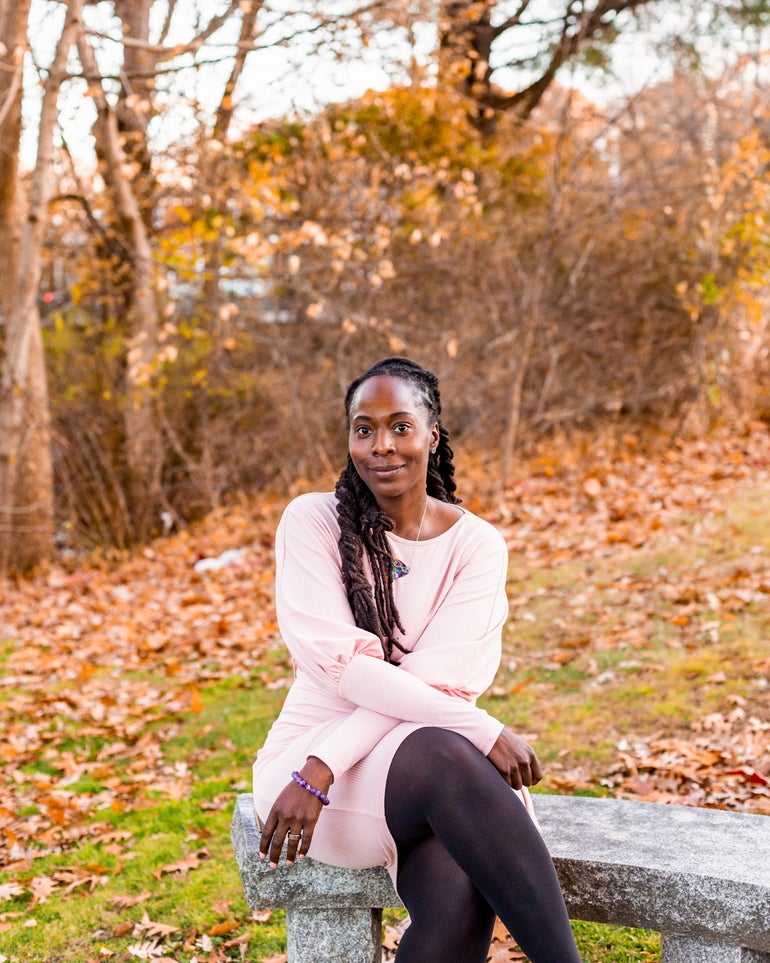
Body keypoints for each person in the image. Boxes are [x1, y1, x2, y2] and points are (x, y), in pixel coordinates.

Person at [253, 357, 582, 962]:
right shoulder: (313, 521)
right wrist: (320, 765)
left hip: (417, 773)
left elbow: (433, 687)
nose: (382, 446)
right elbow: (348, 672)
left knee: (460, 897)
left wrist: (460, 727)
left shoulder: (476, 546)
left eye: (401, 427)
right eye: (364, 428)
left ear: (433, 433)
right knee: (443, 746)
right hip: (308, 781)